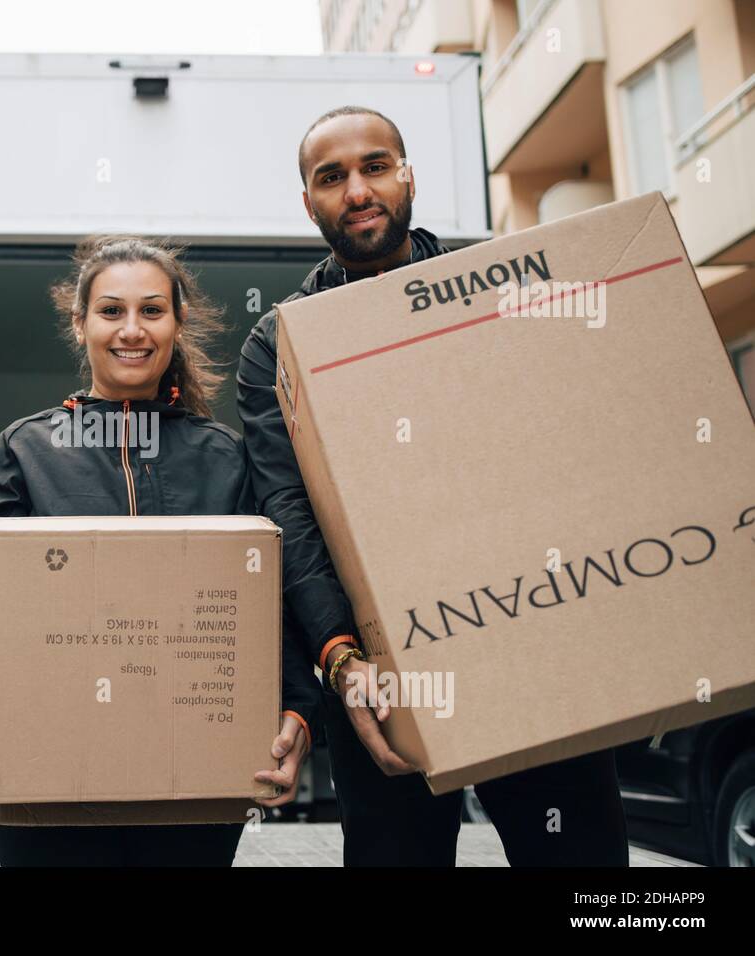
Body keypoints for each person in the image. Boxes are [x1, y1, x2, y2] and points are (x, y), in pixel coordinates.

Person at [236, 106, 630, 866]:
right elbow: (289, 509)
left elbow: (573, 456)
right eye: (331, 177)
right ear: (309, 202)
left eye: (376, 166)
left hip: (537, 642)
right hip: (386, 676)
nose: (357, 190)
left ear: (408, 174)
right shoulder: (279, 343)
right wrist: (343, 661)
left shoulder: (495, 289)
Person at [0, 235, 322, 867]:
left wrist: (297, 709)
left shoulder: (224, 457)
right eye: (110, 311)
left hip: (195, 783)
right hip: (46, 785)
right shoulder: (24, 452)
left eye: (152, 310)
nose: (131, 330)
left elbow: (272, 601)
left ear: (177, 323)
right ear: (79, 324)